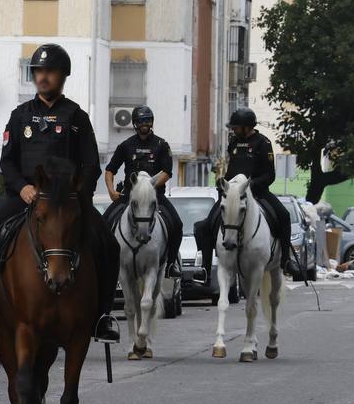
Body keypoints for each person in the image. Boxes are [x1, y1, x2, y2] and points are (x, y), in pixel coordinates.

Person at [0, 43, 121, 343]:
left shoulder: (77, 118)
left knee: (109, 245)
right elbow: (8, 162)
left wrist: (76, 195)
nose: (43, 77)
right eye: (38, 71)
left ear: (63, 76)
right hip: (25, 199)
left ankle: (103, 316)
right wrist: (23, 188)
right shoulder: (19, 116)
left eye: (49, 72)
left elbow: (91, 165)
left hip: (67, 204)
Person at [195, 108, 297, 280]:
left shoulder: (263, 143)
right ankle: (205, 268)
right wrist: (224, 185)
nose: (233, 130)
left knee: (284, 215)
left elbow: (270, 175)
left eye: (236, 127)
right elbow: (231, 170)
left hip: (258, 192)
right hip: (233, 194)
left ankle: (286, 261)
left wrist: (252, 185)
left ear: (246, 127)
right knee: (204, 226)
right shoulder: (234, 143)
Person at [102, 105, 183, 274]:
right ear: (135, 124)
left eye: (147, 120)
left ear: (152, 122)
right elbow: (110, 170)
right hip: (129, 196)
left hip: (155, 196)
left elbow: (168, 172)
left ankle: (171, 265)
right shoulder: (125, 145)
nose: (144, 124)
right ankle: (105, 264)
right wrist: (111, 191)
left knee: (177, 224)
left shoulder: (161, 145)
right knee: (103, 224)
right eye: (140, 121)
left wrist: (149, 187)